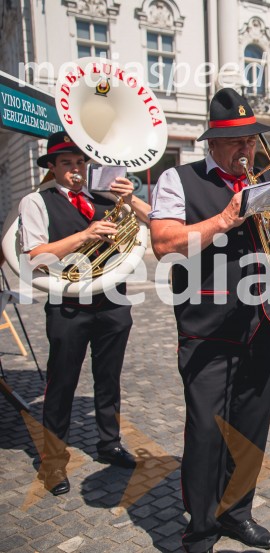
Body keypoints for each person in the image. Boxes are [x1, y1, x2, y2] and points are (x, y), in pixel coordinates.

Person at [149, 88, 270, 553]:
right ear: (213, 143)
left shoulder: (265, 180)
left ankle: (236, 514)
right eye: (237, 141)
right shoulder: (178, 180)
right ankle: (200, 528)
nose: (248, 149)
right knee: (205, 430)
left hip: (265, 322)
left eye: (252, 139)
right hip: (207, 325)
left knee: (250, 428)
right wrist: (223, 220)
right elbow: (164, 244)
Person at [18, 131, 150, 496]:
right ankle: (53, 461)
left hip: (112, 303)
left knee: (108, 380)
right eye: (67, 164)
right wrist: (85, 236)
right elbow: (35, 256)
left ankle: (109, 443)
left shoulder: (107, 198)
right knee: (62, 384)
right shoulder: (36, 202)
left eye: (80, 163)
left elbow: (152, 226)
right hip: (68, 306)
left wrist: (130, 198)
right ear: (53, 167)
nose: (76, 170)